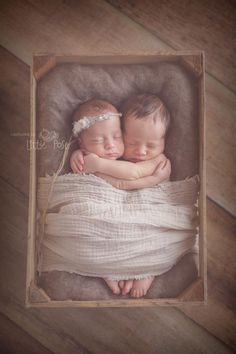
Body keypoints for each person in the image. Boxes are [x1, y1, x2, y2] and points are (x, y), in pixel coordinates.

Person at [70, 95, 171, 297]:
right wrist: (77, 156)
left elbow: (129, 175)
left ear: (164, 141)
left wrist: (98, 166)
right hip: (116, 209)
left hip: (150, 207)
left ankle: (147, 270)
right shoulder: (119, 155)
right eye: (131, 142)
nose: (141, 152)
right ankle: (107, 267)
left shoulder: (158, 161)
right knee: (95, 228)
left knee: (155, 234)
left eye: (151, 145)